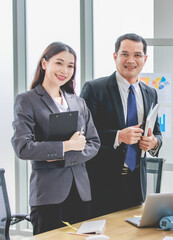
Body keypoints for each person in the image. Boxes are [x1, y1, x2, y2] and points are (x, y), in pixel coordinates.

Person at [11, 42, 100, 234]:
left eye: (70, 66)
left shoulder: (78, 102)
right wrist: (66, 146)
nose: (64, 70)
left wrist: (61, 157)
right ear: (44, 63)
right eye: (59, 63)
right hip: (48, 195)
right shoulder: (28, 100)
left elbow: (94, 143)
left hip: (81, 192)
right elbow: (23, 147)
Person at [80, 33, 162, 217]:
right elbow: (83, 136)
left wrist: (154, 143)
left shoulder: (151, 93)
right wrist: (118, 136)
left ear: (145, 59)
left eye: (137, 55)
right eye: (125, 54)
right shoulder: (94, 89)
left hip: (136, 183)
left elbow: (156, 133)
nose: (131, 60)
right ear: (115, 56)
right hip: (102, 182)